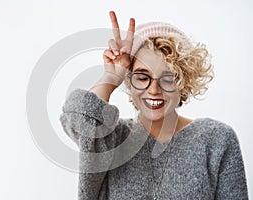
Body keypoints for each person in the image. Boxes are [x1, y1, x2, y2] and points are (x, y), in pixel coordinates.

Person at [60, 11, 248, 199]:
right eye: (142, 77)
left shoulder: (216, 139)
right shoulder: (111, 139)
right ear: (129, 79)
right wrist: (112, 77)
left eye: (167, 78)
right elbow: (80, 117)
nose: (154, 89)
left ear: (184, 81)